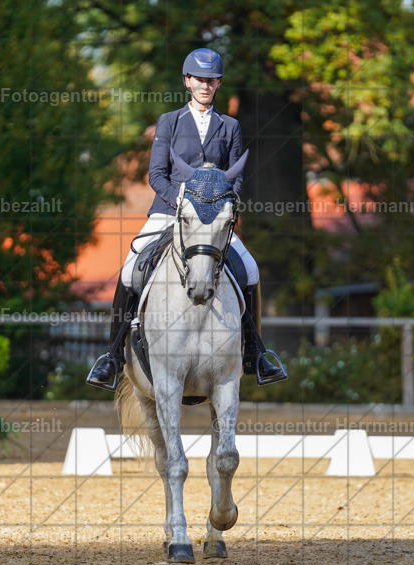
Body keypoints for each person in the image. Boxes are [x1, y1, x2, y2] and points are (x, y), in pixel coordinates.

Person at [86, 47, 288, 390]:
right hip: (170, 213)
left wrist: (225, 202)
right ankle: (112, 358)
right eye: (199, 79)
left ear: (218, 84)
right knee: (130, 269)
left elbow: (236, 178)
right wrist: (180, 201)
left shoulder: (231, 126)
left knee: (250, 269)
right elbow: (156, 175)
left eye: (212, 80)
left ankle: (255, 353)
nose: (205, 85)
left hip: (212, 220)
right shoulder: (169, 122)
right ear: (187, 82)